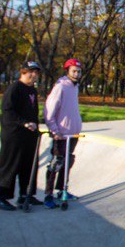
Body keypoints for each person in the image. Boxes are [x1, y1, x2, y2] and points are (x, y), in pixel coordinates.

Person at [0, 61, 42, 211]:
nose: (33, 75)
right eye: (30, 72)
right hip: (13, 134)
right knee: (10, 164)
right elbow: (7, 110)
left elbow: (32, 111)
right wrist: (24, 123)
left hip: (29, 135)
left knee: (29, 165)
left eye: (36, 72)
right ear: (23, 72)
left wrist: (36, 125)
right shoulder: (15, 88)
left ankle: (26, 195)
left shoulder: (32, 90)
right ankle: (0, 198)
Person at [43, 58, 84, 208]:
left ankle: (61, 190)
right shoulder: (60, 87)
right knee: (56, 163)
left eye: (79, 71)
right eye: (74, 71)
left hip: (72, 134)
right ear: (67, 71)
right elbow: (49, 111)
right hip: (60, 134)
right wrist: (54, 130)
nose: (77, 74)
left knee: (68, 163)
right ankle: (48, 195)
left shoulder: (75, 87)